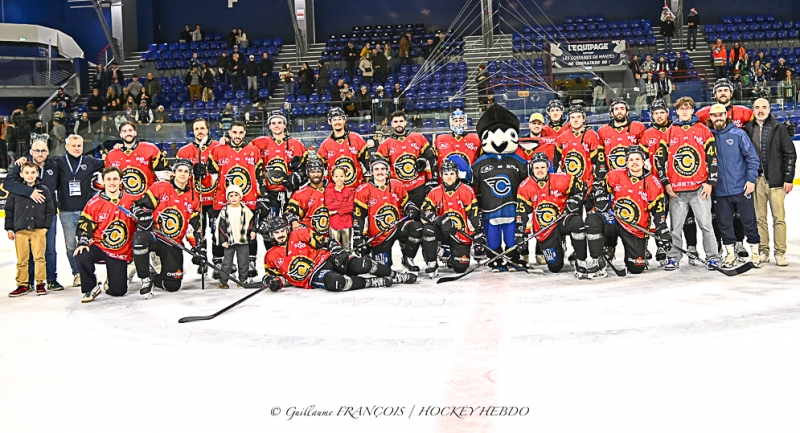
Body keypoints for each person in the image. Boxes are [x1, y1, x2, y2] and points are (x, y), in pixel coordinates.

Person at [654, 96, 720, 270]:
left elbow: (712, 157)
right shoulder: (669, 132)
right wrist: (665, 182)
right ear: (676, 111)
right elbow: (659, 159)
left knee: (706, 225)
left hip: (699, 188)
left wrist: (709, 182)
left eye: (688, 107)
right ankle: (674, 258)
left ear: (692, 110)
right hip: (677, 190)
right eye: (681, 108)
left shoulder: (704, 130)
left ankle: (713, 257)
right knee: (675, 228)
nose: (684, 110)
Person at [263, 216, 414, 291]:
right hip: (313, 275)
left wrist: (336, 248)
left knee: (362, 264)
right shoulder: (270, 256)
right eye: (276, 232)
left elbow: (324, 242)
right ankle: (372, 282)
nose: (280, 234)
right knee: (337, 283)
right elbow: (275, 277)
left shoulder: (300, 233)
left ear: (287, 229)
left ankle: (396, 276)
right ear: (271, 235)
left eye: (282, 230)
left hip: (326, 259)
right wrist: (274, 282)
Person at [586, 146, 670, 276]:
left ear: (643, 161)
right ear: (626, 162)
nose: (634, 162)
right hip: (615, 220)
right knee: (593, 220)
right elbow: (598, 185)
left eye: (637, 159)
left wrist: (663, 233)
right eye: (631, 160)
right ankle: (598, 259)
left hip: (635, 228)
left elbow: (659, 213)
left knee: (636, 268)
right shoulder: (616, 175)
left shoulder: (653, 183)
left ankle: (635, 256)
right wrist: (601, 198)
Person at [131, 159, 201, 298]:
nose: (182, 174)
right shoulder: (161, 187)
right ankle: (144, 278)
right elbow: (137, 207)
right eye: (179, 170)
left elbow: (194, 227)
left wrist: (198, 248)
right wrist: (142, 216)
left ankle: (153, 275)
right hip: (155, 237)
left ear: (190, 175)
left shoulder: (193, 197)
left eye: (186, 171)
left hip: (173, 242)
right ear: (173, 173)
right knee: (140, 238)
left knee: (172, 286)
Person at [472, 104, 529, 271]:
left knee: (512, 237)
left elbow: (532, 179)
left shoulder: (518, 161)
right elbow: (470, 181)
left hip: (513, 208)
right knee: (493, 236)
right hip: (490, 210)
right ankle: (494, 258)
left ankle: (513, 258)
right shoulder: (480, 163)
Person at [207, 122, 266, 279]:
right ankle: (219, 262)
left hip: (248, 200)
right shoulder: (218, 150)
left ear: (245, 133)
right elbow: (210, 175)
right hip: (222, 200)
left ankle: (250, 262)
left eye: (240, 132)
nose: (237, 135)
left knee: (250, 232)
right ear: (229, 133)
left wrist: (262, 195)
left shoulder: (253, 151)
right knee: (219, 231)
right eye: (234, 132)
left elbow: (259, 175)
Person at [706, 103, 761, 268]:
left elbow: (752, 158)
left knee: (749, 221)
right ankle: (730, 254)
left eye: (721, 115)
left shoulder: (738, 134)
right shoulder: (708, 137)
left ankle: (755, 253)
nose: (718, 118)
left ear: (726, 115)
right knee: (724, 224)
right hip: (719, 191)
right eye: (714, 116)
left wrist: (751, 180)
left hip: (741, 188)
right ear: (710, 118)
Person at [517, 152, 589, 276]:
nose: (540, 171)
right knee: (555, 267)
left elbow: (582, 188)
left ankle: (581, 260)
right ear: (532, 169)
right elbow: (522, 213)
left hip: (562, 219)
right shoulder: (524, 187)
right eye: (537, 168)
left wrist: (574, 200)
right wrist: (521, 234)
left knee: (577, 222)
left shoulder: (562, 179)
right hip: (544, 227)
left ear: (548, 167)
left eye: (543, 167)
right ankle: (560, 246)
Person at [744, 98, 797, 266]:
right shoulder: (748, 129)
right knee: (760, 219)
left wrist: (788, 178)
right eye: (757, 107)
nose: (760, 110)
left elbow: (790, 154)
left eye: (764, 107)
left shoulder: (779, 128)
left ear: (769, 109)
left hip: (776, 182)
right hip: (756, 181)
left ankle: (780, 253)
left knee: (778, 218)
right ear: (753, 110)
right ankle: (763, 250)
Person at [5, 140, 63, 290]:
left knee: (48, 250)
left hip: (46, 217)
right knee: (27, 254)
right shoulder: (22, 166)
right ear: (31, 152)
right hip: (25, 217)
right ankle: (28, 282)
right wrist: (30, 192)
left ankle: (50, 279)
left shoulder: (54, 165)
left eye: (43, 151)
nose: (40, 154)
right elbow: (8, 184)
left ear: (48, 152)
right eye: (37, 151)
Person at [74, 167, 137, 302]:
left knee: (118, 292)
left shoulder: (131, 200)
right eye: (108, 179)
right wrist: (83, 241)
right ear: (103, 181)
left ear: (121, 181)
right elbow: (84, 225)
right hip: (99, 246)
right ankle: (91, 288)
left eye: (115, 179)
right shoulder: (94, 203)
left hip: (120, 251)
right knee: (81, 254)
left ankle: (110, 282)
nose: (112, 182)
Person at [353, 155, 423, 271]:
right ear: (371, 172)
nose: (380, 172)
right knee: (383, 269)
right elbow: (358, 216)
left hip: (397, 226)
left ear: (387, 171)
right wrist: (358, 238)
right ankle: (370, 253)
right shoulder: (363, 190)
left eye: (383, 169)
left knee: (416, 228)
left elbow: (405, 202)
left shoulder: (396, 185)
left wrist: (410, 208)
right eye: (376, 169)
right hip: (379, 234)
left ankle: (407, 258)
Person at [420, 158, 484, 278]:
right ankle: (432, 263)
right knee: (428, 230)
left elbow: (473, 214)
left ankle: (445, 254)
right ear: (441, 175)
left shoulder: (466, 190)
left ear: (457, 174)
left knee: (460, 268)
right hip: (442, 231)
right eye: (446, 174)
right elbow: (424, 212)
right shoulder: (435, 192)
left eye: (452, 174)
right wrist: (440, 220)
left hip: (460, 233)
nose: (449, 177)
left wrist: (478, 233)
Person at [176, 118, 221, 274]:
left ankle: (218, 262)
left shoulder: (218, 147)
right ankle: (202, 260)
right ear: (193, 131)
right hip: (196, 201)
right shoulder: (184, 151)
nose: (200, 131)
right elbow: (180, 176)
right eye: (196, 129)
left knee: (217, 232)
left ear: (207, 129)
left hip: (215, 199)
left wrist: (208, 174)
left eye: (202, 128)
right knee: (198, 233)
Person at [377, 111, 437, 207]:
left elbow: (431, 158)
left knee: (420, 217)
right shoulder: (385, 144)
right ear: (391, 124)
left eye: (401, 121)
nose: (398, 124)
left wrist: (431, 179)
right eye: (395, 122)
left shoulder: (418, 137)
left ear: (405, 122)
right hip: (399, 188)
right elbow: (380, 167)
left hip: (418, 185)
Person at [557, 105, 607, 209]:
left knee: (589, 215)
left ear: (584, 119)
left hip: (587, 183)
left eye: (578, 117)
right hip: (569, 184)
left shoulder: (592, 135)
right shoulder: (562, 137)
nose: (575, 120)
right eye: (573, 117)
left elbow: (598, 161)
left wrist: (598, 181)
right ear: (569, 120)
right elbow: (557, 163)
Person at [105, 121, 167, 201]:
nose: (128, 133)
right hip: (122, 203)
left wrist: (154, 198)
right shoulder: (111, 155)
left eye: (130, 130)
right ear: (121, 135)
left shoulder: (150, 149)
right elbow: (107, 181)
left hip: (147, 202)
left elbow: (165, 177)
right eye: (124, 131)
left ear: (135, 133)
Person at [214, 184, 257, 289]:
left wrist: (252, 231)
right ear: (228, 198)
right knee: (227, 263)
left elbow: (251, 223)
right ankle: (223, 281)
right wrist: (223, 240)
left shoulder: (245, 210)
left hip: (243, 241)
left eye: (236, 195)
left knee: (243, 262)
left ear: (240, 197)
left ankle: (242, 279)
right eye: (231, 195)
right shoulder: (225, 210)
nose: (233, 198)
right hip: (230, 242)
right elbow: (221, 227)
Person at [317, 107, 369, 189]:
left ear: (344, 120)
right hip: (335, 193)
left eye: (339, 119)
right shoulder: (325, 145)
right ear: (330, 122)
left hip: (357, 190)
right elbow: (321, 171)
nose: (337, 122)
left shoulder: (357, 139)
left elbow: (366, 165)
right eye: (334, 120)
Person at [598, 98, 647, 172]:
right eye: (616, 109)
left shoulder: (638, 127)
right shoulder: (603, 131)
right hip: (611, 175)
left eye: (622, 108)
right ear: (612, 113)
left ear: (627, 112)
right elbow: (600, 157)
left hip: (634, 174)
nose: (619, 112)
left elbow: (645, 152)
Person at [434, 109, 483, 177]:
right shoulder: (440, 139)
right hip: (446, 181)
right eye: (456, 121)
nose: (458, 123)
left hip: (470, 182)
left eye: (461, 120)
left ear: (465, 122)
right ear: (451, 122)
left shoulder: (476, 139)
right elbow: (433, 161)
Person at [326, 166, 355, 250]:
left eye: (341, 176)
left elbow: (350, 207)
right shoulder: (329, 192)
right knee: (335, 249)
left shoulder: (350, 191)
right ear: (333, 177)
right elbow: (330, 206)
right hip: (334, 224)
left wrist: (336, 211)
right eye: (336, 176)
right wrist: (343, 205)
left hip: (347, 223)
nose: (339, 179)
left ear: (345, 177)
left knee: (347, 248)